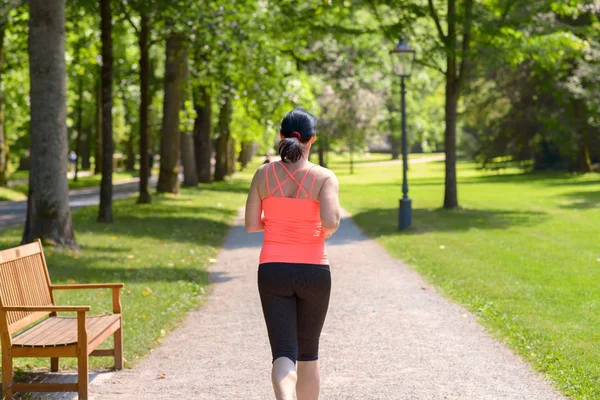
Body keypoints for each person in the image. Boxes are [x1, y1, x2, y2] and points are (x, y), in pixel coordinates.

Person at [245, 108, 341, 400]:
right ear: (313, 139)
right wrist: (320, 231)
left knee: (283, 353)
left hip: (273, 268)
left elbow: (251, 224)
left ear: (281, 136)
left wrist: (276, 224)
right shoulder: (323, 177)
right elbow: (331, 222)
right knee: (309, 352)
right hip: (313, 269)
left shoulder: (263, 174)